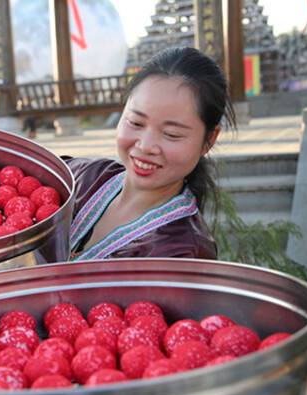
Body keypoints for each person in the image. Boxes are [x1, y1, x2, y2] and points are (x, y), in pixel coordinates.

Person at [65, 47, 236, 261]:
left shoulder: (182, 254)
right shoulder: (84, 178)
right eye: (136, 122)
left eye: (171, 134)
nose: (146, 146)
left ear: (208, 141)